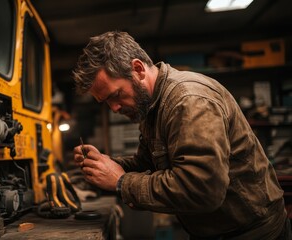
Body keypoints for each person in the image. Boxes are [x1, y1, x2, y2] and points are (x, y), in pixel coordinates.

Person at [72, 31, 291, 239]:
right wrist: (105, 164)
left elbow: (202, 189)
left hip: (253, 233)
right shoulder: (152, 106)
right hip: (214, 231)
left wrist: (121, 182)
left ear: (138, 69)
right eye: (106, 102)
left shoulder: (189, 101)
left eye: (116, 95)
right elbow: (148, 163)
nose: (114, 108)